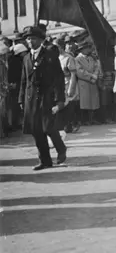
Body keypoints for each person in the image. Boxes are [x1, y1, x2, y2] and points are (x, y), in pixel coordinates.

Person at [19, 26, 67, 171]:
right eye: (28, 39)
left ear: (40, 40)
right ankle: (45, 160)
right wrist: (21, 99)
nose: (30, 41)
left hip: (47, 97)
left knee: (48, 127)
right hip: (31, 98)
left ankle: (61, 148)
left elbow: (58, 78)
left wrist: (59, 99)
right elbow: (24, 80)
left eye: (33, 38)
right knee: (36, 130)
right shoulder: (26, 58)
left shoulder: (49, 55)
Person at [76, 41, 102, 125]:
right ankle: (85, 120)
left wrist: (95, 75)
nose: (88, 50)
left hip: (93, 82)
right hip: (84, 82)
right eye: (87, 48)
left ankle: (93, 119)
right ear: (82, 49)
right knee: (85, 101)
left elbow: (96, 67)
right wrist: (91, 76)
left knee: (93, 101)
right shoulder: (77, 59)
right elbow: (80, 71)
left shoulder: (91, 58)